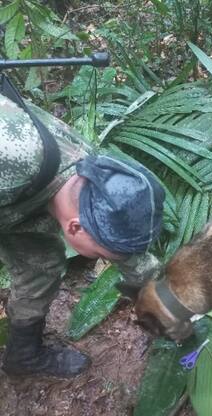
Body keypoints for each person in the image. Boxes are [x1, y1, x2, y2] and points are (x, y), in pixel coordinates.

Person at [0, 82, 164, 378]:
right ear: (75, 227)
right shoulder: (14, 163)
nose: (111, 259)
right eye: (103, 255)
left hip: (19, 202)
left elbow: (125, 251)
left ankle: (23, 356)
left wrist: (163, 300)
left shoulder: (92, 175)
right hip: (12, 188)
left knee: (40, 264)